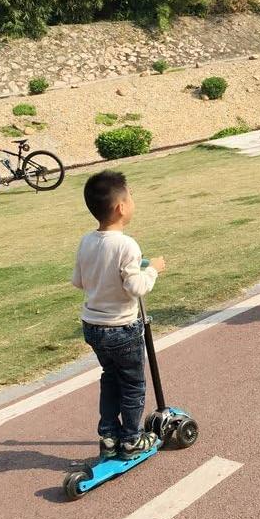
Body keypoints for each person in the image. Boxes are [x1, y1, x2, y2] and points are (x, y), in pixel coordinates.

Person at [72, 169, 166, 457]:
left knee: (110, 378)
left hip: (93, 326)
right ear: (121, 207)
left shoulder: (87, 241)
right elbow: (136, 287)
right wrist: (153, 269)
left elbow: (79, 281)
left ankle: (109, 437)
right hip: (121, 328)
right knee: (133, 384)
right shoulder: (126, 244)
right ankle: (131, 440)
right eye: (131, 197)